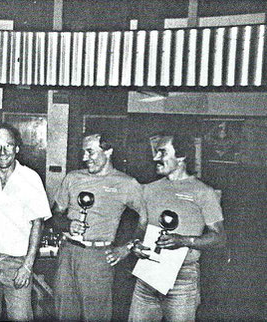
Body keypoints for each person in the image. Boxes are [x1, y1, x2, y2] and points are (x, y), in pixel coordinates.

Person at [128, 133, 227, 322]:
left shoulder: (203, 192)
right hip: (147, 274)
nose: (156, 158)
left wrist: (183, 241)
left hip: (182, 278)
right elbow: (141, 226)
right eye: (156, 152)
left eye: (162, 152)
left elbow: (219, 238)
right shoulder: (149, 189)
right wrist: (135, 244)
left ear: (181, 157)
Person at [51, 133, 147, 321]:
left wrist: (127, 247)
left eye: (91, 152)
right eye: (83, 153)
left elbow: (146, 218)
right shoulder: (73, 178)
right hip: (67, 252)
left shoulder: (127, 183)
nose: (85, 158)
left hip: (98, 257)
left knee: (95, 316)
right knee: (63, 314)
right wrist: (68, 224)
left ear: (108, 152)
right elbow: (55, 216)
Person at [0, 123, 51, 321]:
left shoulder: (31, 178)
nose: (3, 151)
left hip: (18, 264)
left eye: (9, 145)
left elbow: (37, 224)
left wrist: (28, 266)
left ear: (17, 149)